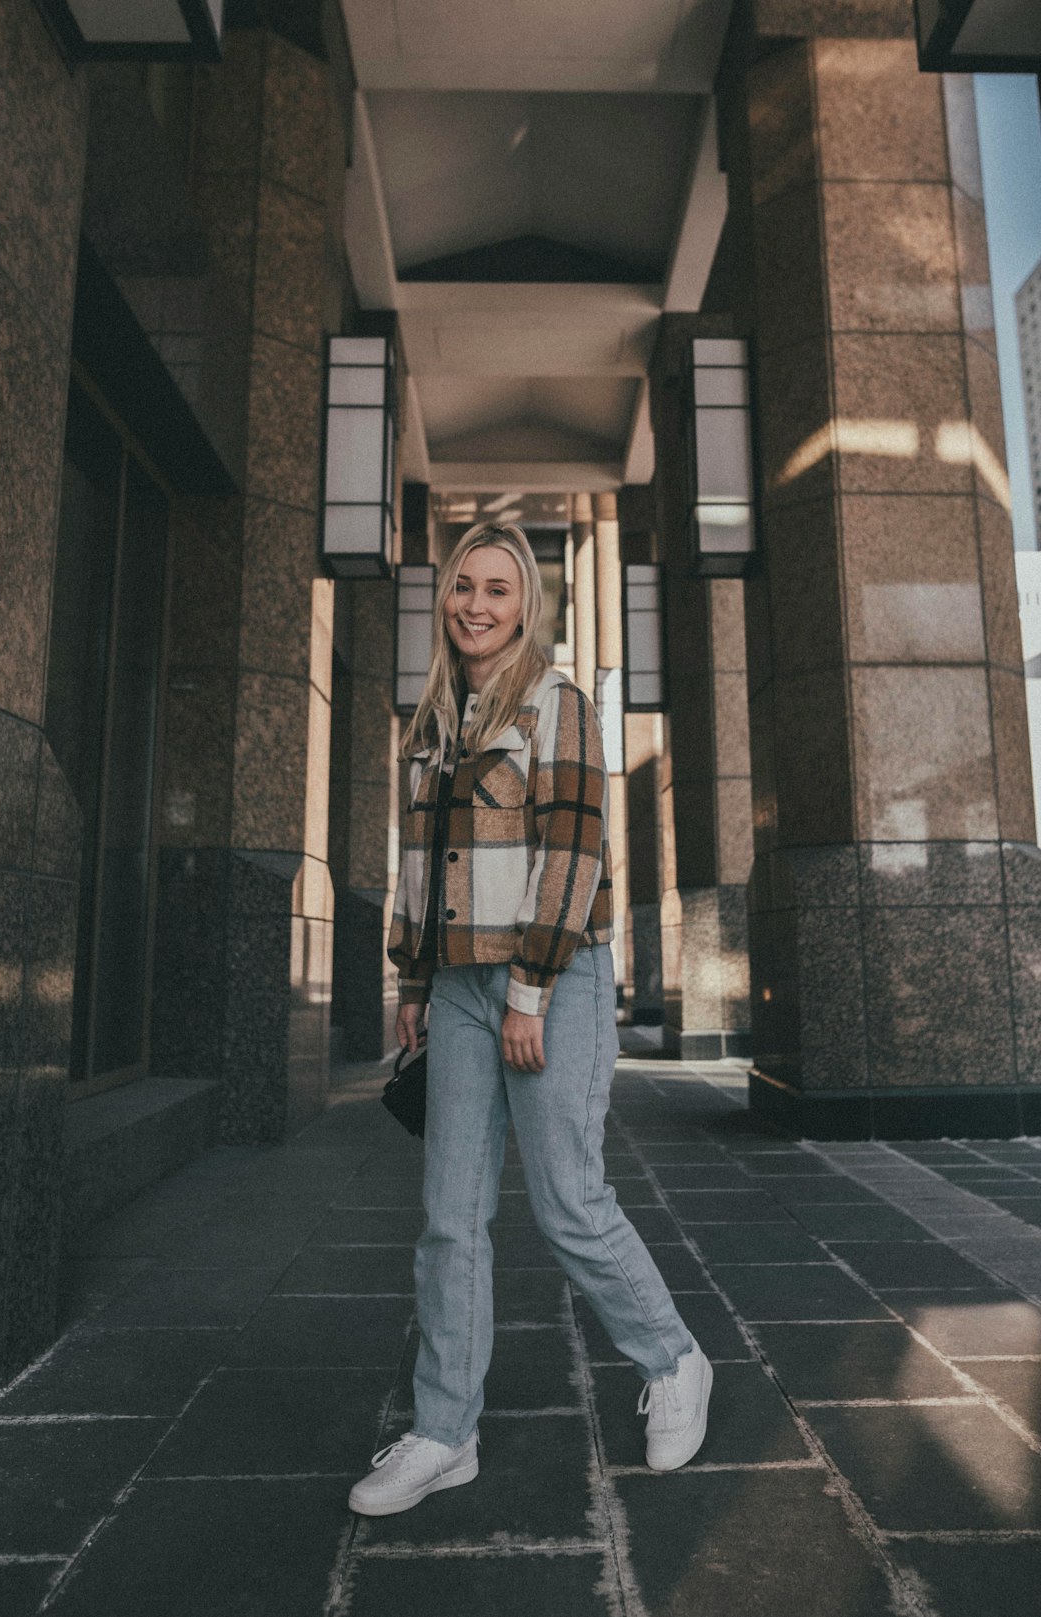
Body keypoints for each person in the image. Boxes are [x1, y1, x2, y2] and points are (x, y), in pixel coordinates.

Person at [348, 521, 712, 1517]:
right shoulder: (435, 720)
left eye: (497, 588)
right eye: (464, 585)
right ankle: (442, 1432)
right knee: (447, 1221)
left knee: (566, 1200)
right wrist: (414, 980)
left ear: (527, 603)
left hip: (552, 978)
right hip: (458, 987)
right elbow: (420, 867)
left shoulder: (559, 705)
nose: (477, 604)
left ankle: (675, 1361)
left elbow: (573, 854)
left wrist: (529, 993)